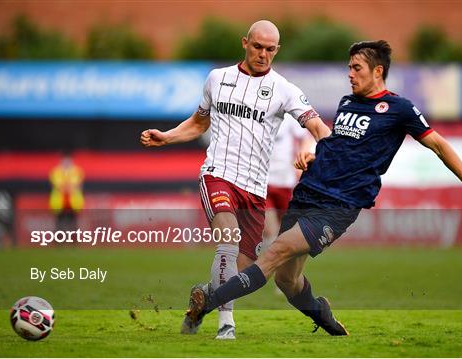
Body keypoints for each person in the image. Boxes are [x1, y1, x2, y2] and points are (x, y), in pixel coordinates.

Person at [182, 40, 462, 336]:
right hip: (308, 192)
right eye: (349, 67)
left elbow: (438, 145)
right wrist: (315, 155)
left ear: (378, 71)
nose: (349, 74)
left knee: (274, 253)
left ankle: (207, 301)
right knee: (287, 279)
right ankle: (323, 315)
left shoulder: (399, 109)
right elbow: (338, 145)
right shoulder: (349, 103)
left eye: (356, 68)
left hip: (338, 206)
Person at [140, 20, 331, 339]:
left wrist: (322, 148)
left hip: (256, 189)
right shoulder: (218, 79)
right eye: (257, 46)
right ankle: (226, 324)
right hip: (218, 175)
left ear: (277, 50)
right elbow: (199, 123)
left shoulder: (284, 89)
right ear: (245, 43)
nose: (263, 54)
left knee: (243, 273)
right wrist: (167, 137)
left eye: (270, 49)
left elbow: (317, 126)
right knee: (227, 237)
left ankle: (202, 300)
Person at [263, 115, 314, 249]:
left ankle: (288, 268)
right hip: (262, 181)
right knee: (270, 230)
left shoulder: (288, 116)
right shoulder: (254, 113)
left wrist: (302, 157)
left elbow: (306, 138)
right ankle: (269, 266)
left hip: (286, 181)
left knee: (289, 232)